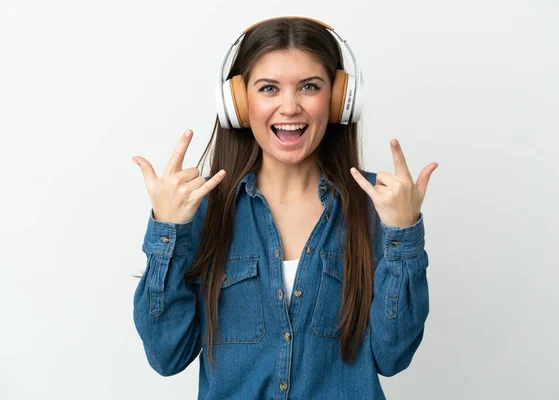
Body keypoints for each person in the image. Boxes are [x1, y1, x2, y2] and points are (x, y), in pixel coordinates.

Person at [132, 16, 438, 400]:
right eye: (269, 88)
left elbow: (393, 356)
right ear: (240, 104)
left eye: (309, 87)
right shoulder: (202, 210)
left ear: (341, 99)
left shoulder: (378, 205)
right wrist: (168, 233)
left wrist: (403, 237)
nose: (289, 106)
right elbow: (167, 356)